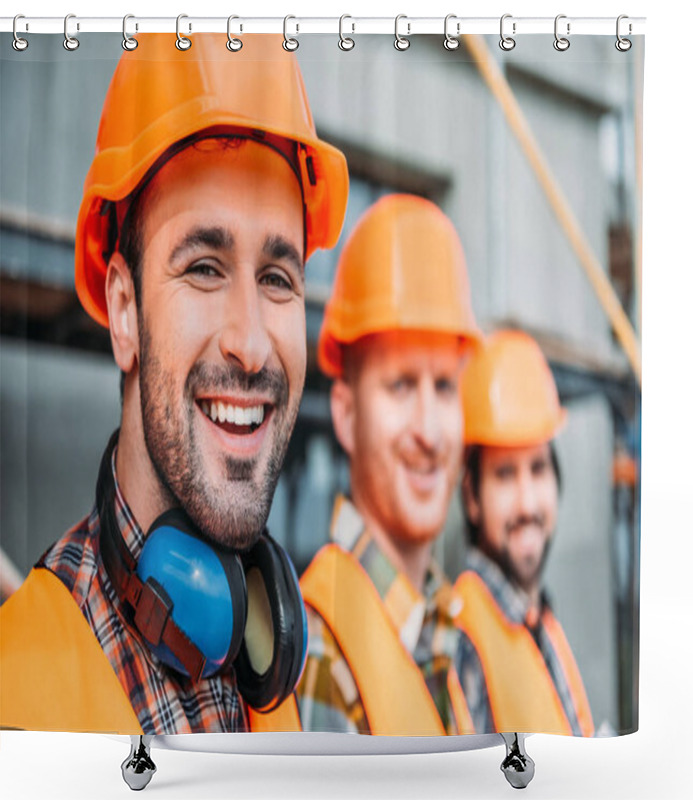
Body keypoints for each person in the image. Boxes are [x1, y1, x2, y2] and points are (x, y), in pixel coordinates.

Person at [0, 33, 348, 735]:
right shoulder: (15, 699)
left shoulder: (269, 674)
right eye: (203, 268)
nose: (250, 345)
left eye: (278, 278)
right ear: (124, 312)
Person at [295, 194, 483, 735]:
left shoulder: (450, 628)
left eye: (444, 386)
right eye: (401, 385)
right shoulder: (319, 653)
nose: (428, 430)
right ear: (347, 414)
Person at [455, 330, 594, 736]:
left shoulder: (540, 620)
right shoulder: (463, 641)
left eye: (537, 468)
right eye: (504, 475)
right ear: (472, 497)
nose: (528, 503)